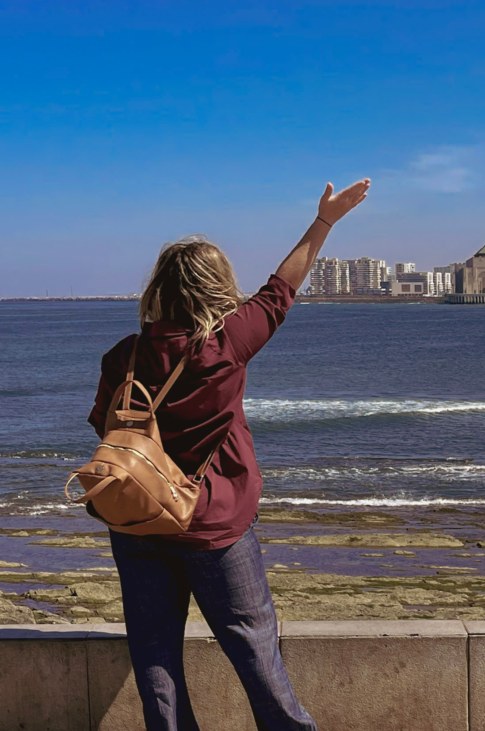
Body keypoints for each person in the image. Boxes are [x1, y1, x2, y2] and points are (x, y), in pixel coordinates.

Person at [87, 178, 371, 731]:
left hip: (138, 522)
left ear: (161, 287)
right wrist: (324, 222)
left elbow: (107, 428)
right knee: (256, 652)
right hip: (214, 527)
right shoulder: (222, 345)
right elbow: (278, 291)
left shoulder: (122, 356)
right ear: (216, 287)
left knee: (154, 654)